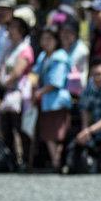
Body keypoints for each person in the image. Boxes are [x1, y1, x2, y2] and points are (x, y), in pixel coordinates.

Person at [0, 8, 35, 167]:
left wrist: (4, 81)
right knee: (7, 128)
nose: (9, 31)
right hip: (9, 93)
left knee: (20, 128)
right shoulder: (10, 48)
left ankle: (25, 159)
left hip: (19, 95)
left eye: (13, 28)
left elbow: (17, 72)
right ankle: (10, 158)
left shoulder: (25, 49)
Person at [32, 27, 71, 172]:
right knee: (48, 134)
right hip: (45, 101)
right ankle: (56, 161)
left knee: (58, 134)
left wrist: (40, 91)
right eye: (44, 39)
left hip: (57, 101)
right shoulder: (43, 56)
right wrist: (33, 85)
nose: (46, 42)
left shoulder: (60, 57)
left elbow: (56, 82)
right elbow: (34, 73)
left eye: (49, 39)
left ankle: (57, 161)